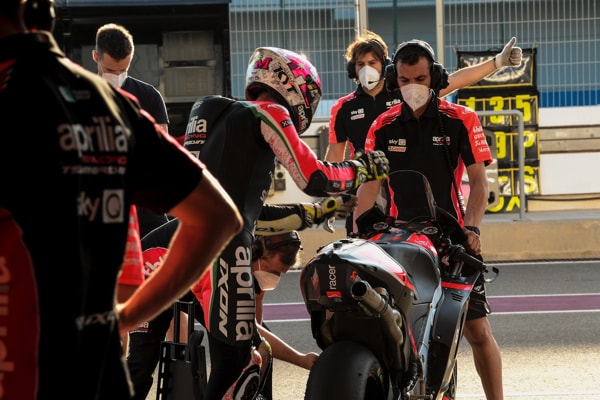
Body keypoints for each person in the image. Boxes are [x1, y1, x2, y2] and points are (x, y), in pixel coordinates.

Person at [0, 2, 243, 399]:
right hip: (99, 370)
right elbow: (218, 216)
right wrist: (128, 316)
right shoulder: (110, 105)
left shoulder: (12, 96)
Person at [181, 46, 389, 399]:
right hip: (225, 252)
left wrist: (320, 212)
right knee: (239, 366)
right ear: (293, 85)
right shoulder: (269, 112)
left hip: (184, 244)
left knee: (153, 364)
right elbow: (314, 178)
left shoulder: (222, 119)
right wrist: (363, 168)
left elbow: (252, 217)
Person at [353, 39, 504, 400]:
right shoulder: (382, 125)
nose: (413, 87)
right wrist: (358, 234)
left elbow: (479, 182)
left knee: (478, 331)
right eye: (405, 80)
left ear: (434, 77)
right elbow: (368, 187)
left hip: (453, 241)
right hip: (397, 242)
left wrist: (471, 228)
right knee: (394, 328)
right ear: (394, 79)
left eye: (420, 79)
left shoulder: (461, 119)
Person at [325, 30, 522, 235]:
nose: (413, 87)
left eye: (372, 62)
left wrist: (497, 63)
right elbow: (336, 159)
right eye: (360, 64)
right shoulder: (348, 109)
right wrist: (329, 199)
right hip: (374, 194)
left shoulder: (415, 96)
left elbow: (457, 79)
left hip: (438, 215)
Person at [128, 224, 321, 400]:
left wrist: (257, 343)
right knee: (141, 365)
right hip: (149, 281)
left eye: (279, 274)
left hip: (189, 282)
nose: (274, 278)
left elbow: (252, 324)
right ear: (255, 253)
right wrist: (299, 359)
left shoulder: (251, 264)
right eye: (273, 271)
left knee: (258, 347)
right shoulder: (227, 264)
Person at [93, 22, 172, 237]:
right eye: (111, 71)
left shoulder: (149, 96)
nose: (117, 76)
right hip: (99, 198)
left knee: (160, 243)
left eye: (123, 71)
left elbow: (162, 149)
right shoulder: (80, 95)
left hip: (145, 196)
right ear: (96, 57)